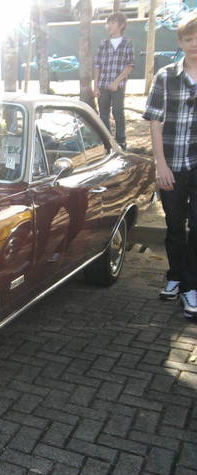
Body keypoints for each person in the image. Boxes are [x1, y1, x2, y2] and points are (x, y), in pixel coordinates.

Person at [143, 13, 197, 320]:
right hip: (173, 165)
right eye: (188, 39)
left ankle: (190, 286)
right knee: (175, 226)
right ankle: (176, 275)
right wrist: (159, 165)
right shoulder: (166, 76)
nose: (194, 44)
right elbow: (155, 123)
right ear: (180, 42)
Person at [93, 12, 134, 150]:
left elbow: (129, 66)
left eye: (113, 23)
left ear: (121, 25)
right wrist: (96, 86)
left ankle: (121, 140)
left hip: (118, 85)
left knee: (118, 111)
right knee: (103, 114)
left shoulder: (127, 43)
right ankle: (107, 141)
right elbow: (97, 65)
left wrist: (116, 82)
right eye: (108, 23)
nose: (109, 26)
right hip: (103, 84)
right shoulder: (103, 44)